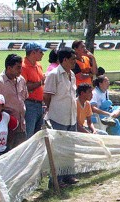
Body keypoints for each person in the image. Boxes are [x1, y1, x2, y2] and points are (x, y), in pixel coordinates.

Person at [43, 47, 79, 186]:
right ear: (64, 60)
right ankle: (55, 179)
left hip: (71, 116)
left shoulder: (72, 75)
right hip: (58, 117)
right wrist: (51, 111)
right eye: (72, 59)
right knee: (58, 149)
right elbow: (47, 96)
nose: (75, 62)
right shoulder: (54, 75)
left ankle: (68, 175)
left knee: (70, 147)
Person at [0, 54, 28, 138]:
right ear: (9, 68)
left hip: (21, 126)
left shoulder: (21, 80)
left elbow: (24, 98)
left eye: (21, 67)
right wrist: (0, 114)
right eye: (18, 67)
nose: (20, 70)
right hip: (6, 129)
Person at [21, 42, 47, 139]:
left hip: (40, 104)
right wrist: (40, 82)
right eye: (40, 52)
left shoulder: (38, 65)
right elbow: (24, 87)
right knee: (29, 134)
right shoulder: (23, 67)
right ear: (33, 53)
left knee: (38, 135)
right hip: (29, 104)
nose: (42, 54)